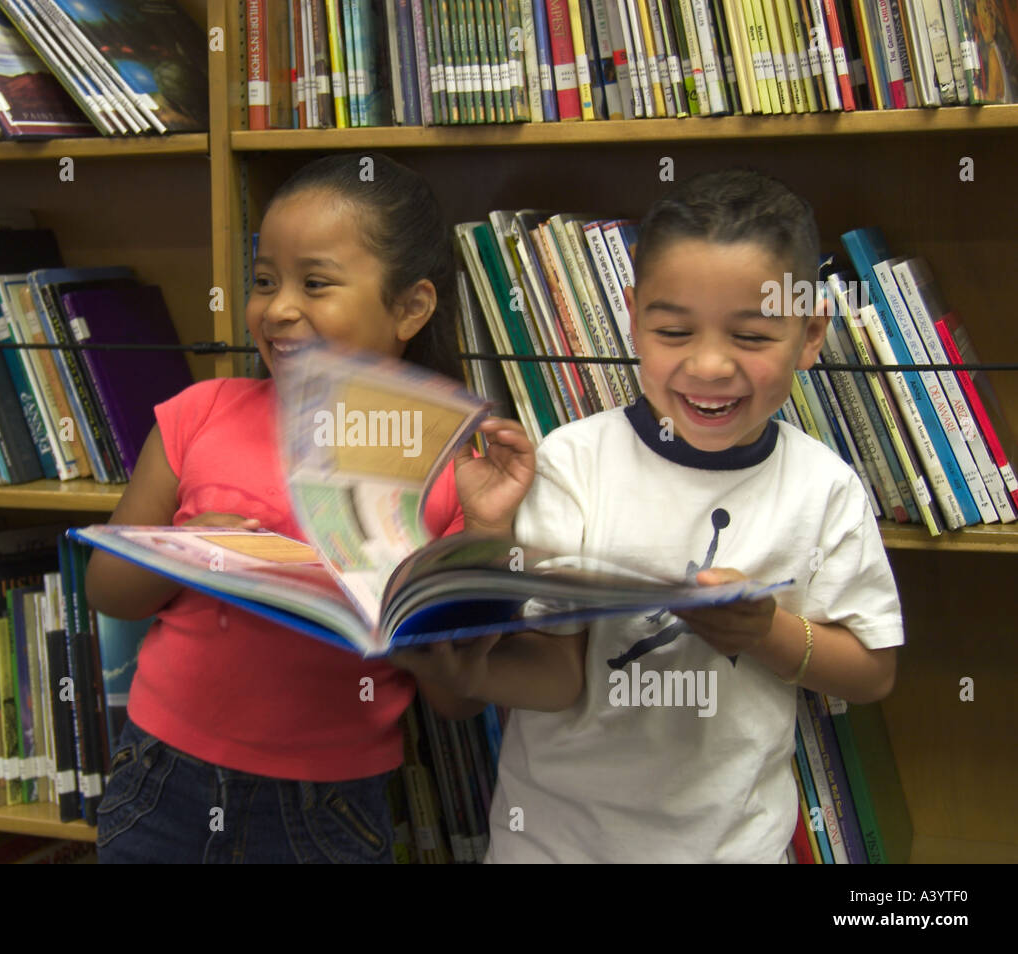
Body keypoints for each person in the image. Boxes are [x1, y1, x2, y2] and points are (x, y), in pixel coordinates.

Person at [394, 169, 904, 863]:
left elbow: (873, 672)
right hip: (552, 848)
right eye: (672, 331)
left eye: (752, 337)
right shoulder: (574, 461)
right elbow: (558, 675)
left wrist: (767, 633)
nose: (711, 365)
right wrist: (454, 665)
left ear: (810, 333)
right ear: (632, 319)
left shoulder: (824, 487)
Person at [84, 152, 533, 863]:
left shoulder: (454, 471)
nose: (278, 307)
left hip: (325, 809)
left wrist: (483, 533)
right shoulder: (200, 414)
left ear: (411, 306)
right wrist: (182, 548)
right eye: (264, 281)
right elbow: (108, 591)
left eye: (315, 283)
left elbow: (458, 699)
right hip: (162, 778)